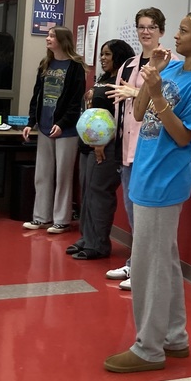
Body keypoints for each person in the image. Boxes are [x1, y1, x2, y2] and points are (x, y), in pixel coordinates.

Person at [104, 8, 191, 374]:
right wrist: (153, 77)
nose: (174, 37)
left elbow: (182, 136)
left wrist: (159, 95)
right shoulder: (172, 69)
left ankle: (149, 348)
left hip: (165, 181)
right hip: (145, 175)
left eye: (183, 31)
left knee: (148, 268)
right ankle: (174, 338)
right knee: (164, 262)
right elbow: (141, 112)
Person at [104, 7, 167, 290]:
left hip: (151, 149)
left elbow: (168, 103)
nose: (146, 32)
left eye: (152, 27)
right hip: (127, 148)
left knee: (147, 215)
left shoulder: (170, 63)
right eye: (141, 26)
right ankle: (134, 263)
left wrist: (135, 93)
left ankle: (143, 271)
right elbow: (119, 108)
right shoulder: (127, 65)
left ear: (161, 32)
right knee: (131, 212)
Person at [67, 38, 134, 260]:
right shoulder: (103, 78)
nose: (103, 58)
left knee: (99, 194)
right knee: (86, 193)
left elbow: (121, 118)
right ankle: (86, 238)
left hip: (106, 149)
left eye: (108, 54)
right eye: (102, 54)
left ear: (119, 56)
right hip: (88, 146)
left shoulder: (122, 82)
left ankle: (98, 244)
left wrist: (102, 143)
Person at [21, 26, 86, 234]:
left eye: (51, 36)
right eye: (48, 35)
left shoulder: (75, 67)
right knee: (42, 173)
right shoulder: (45, 64)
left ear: (62, 40)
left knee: (63, 175)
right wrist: (31, 122)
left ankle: (61, 219)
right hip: (44, 126)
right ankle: (41, 217)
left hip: (66, 131)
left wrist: (64, 123)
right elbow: (36, 96)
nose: (47, 39)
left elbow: (76, 102)